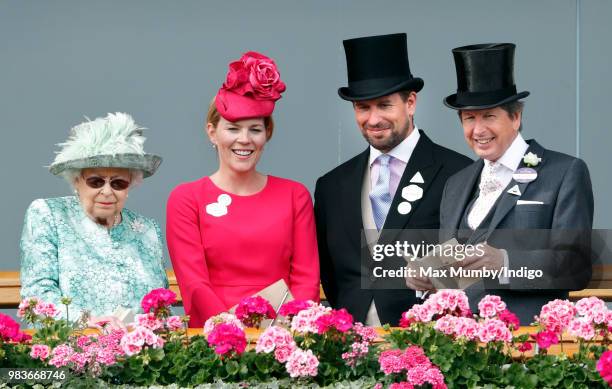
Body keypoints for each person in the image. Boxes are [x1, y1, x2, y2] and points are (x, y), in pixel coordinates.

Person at [407, 43, 593, 323]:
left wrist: (506, 262)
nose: (478, 130)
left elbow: (575, 266)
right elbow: (454, 268)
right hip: (461, 349)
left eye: (489, 116)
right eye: (469, 118)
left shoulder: (565, 172)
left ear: (515, 117)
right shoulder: (456, 184)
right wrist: (427, 273)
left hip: (531, 343)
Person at [315, 33, 472, 326]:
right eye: (363, 107)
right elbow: (332, 275)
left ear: (410, 103)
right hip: (350, 348)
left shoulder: (459, 173)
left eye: (384, 105)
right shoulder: (331, 186)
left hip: (430, 344)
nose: (373, 119)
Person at [166, 51, 320, 327]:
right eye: (233, 128)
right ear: (212, 132)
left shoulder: (295, 195)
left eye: (255, 129)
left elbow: (306, 278)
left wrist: (288, 330)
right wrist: (231, 329)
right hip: (213, 339)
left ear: (267, 134)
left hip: (282, 336)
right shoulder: (187, 198)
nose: (244, 139)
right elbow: (194, 281)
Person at [20, 112, 168, 327]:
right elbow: (37, 292)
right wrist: (87, 323)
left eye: (118, 183)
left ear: (130, 186)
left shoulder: (146, 229)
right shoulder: (48, 214)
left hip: (136, 353)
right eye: (96, 181)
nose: (107, 192)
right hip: (72, 348)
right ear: (77, 180)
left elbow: (159, 304)